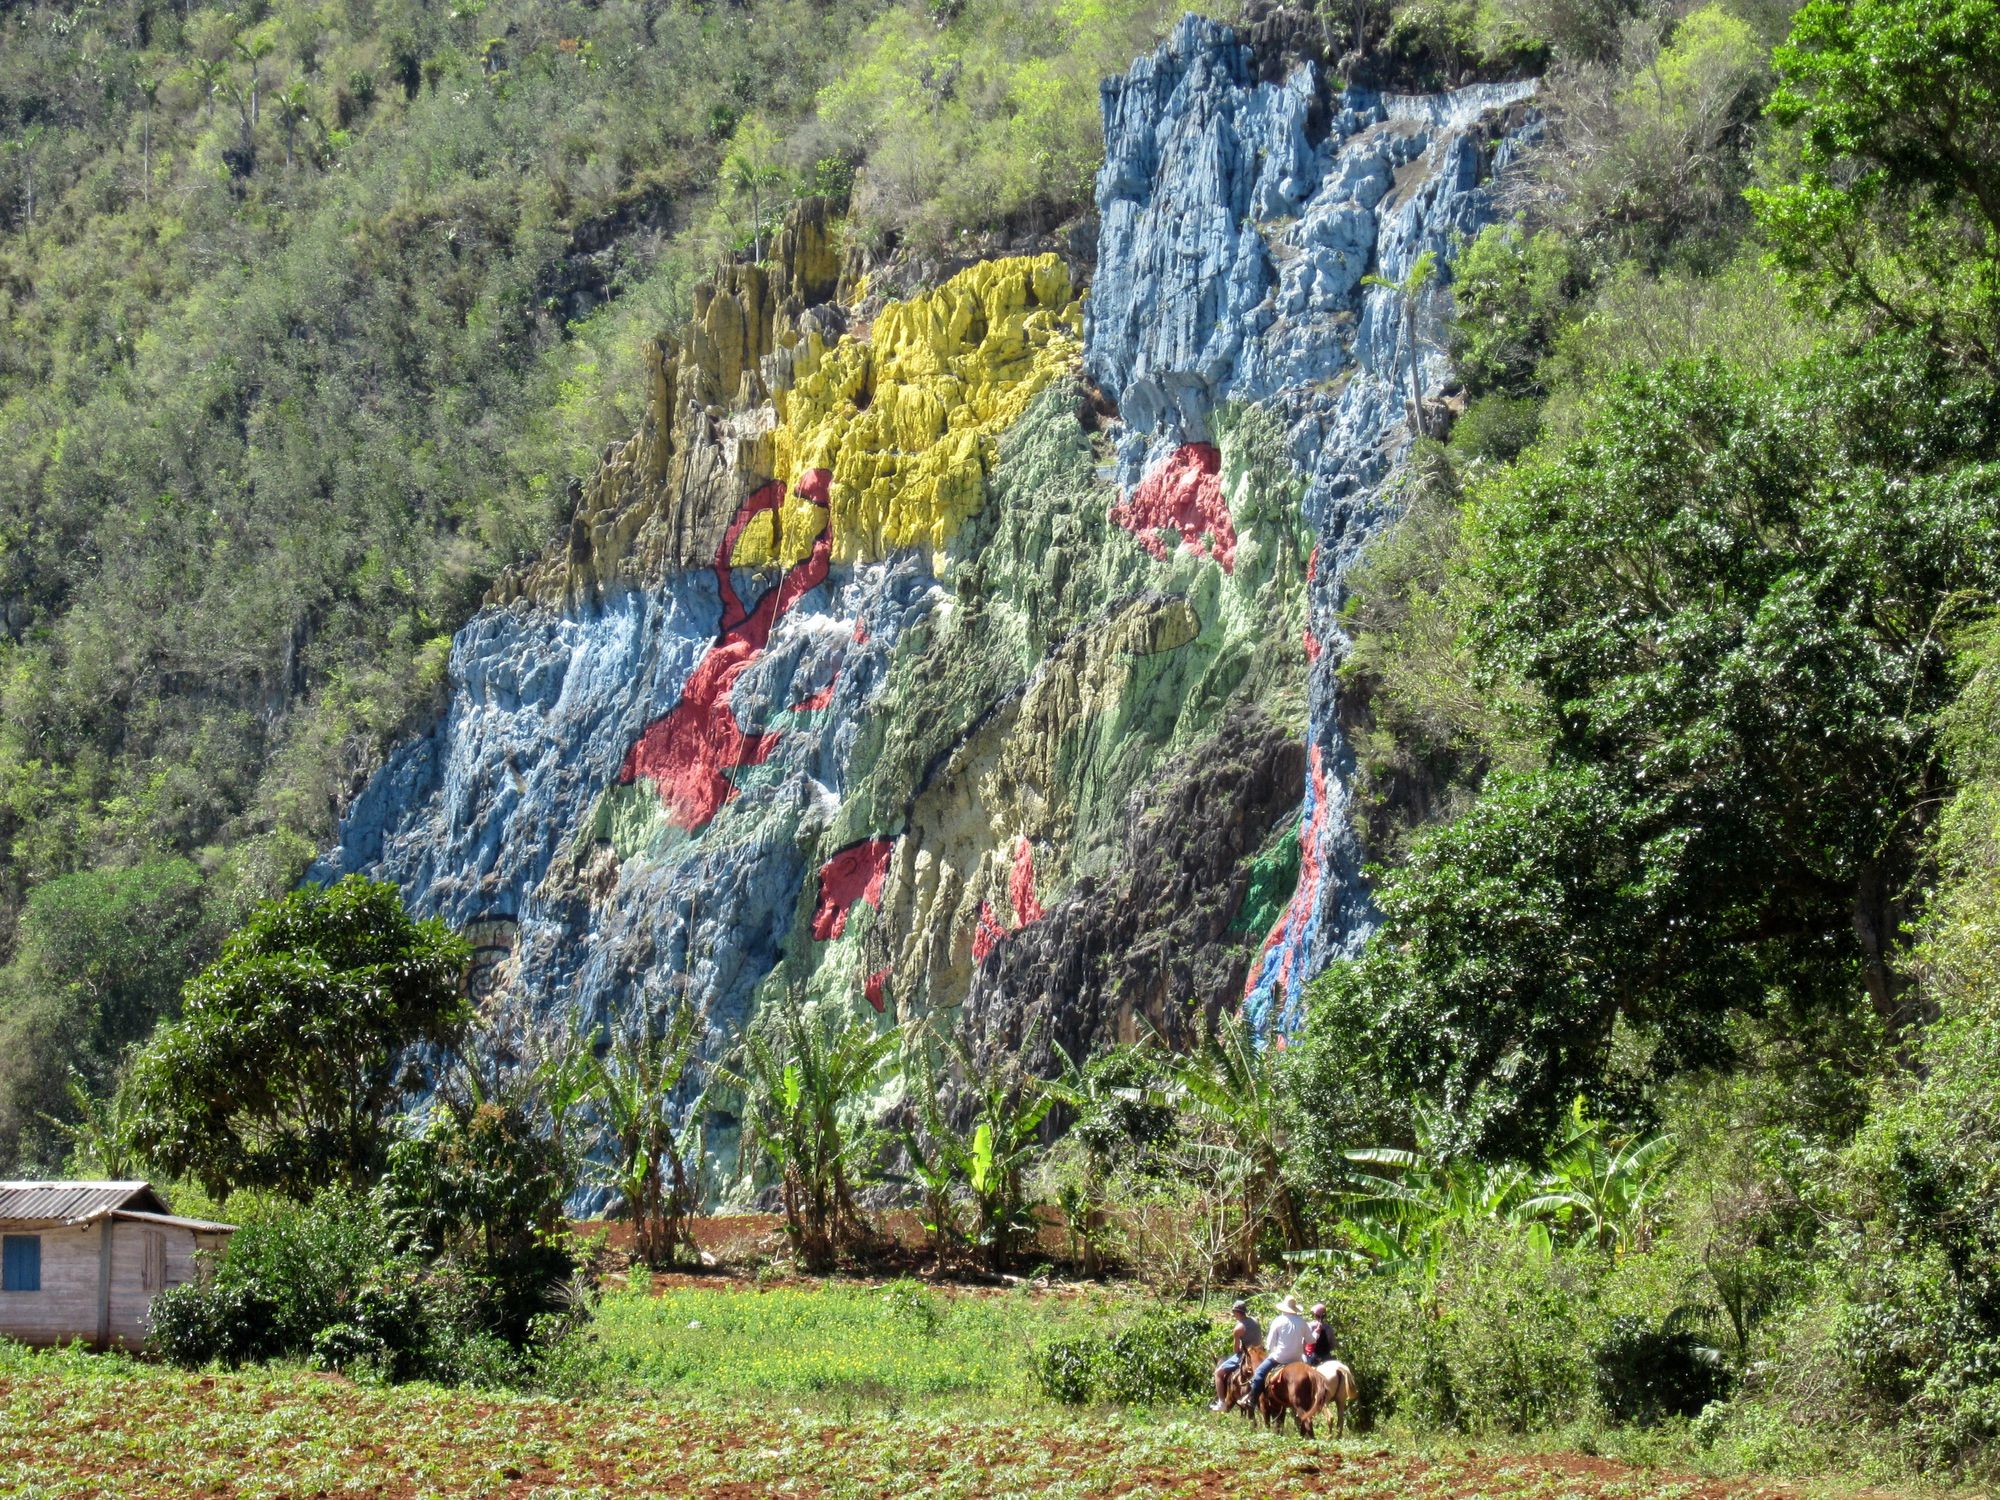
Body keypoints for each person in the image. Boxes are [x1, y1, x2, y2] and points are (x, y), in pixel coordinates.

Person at [1241, 1294, 1308, 1410]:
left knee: (1259, 1373)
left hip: (1280, 1358)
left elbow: (1269, 1344)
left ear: (1283, 1308)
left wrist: (1273, 1350)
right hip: (1298, 1359)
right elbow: (1311, 1340)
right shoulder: (1302, 1322)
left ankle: (1252, 1400)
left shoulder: (1278, 1321)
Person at [1210, 1299, 1263, 1412]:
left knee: (1218, 1373)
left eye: (1233, 1312)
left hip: (1246, 1354)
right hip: (1260, 1352)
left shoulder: (1238, 1328)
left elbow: (1236, 1350)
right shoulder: (1255, 1321)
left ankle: (1221, 1402)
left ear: (1237, 1312)